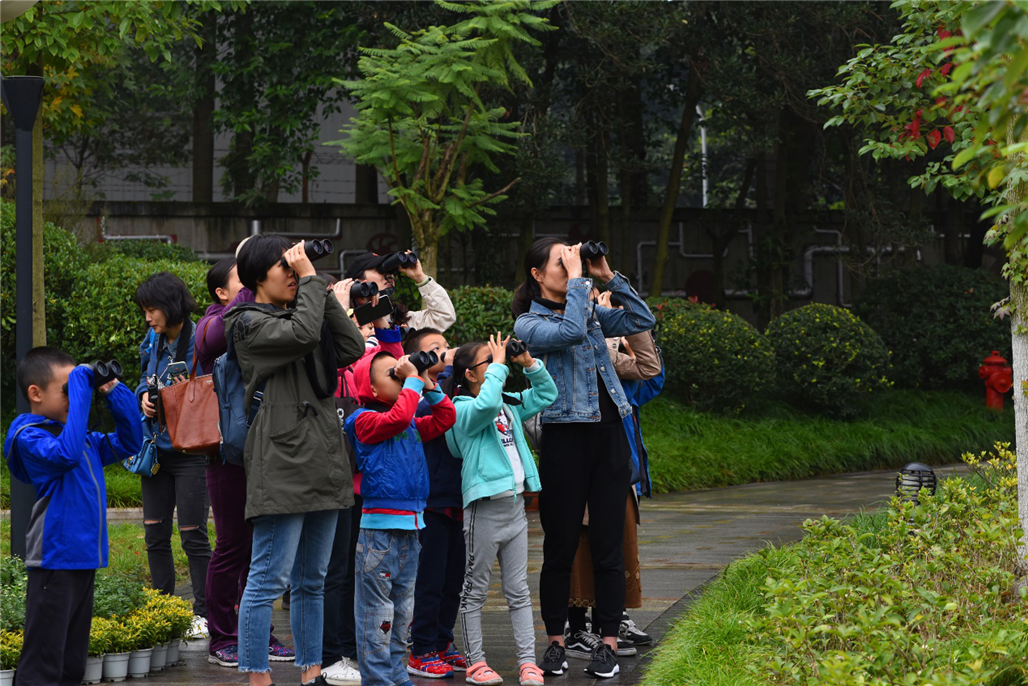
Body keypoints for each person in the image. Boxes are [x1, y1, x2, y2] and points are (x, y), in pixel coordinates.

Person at [512, 239, 656, 679]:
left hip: (610, 435)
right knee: (560, 547)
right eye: (561, 261)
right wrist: (579, 284)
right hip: (565, 438)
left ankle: (608, 644)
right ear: (537, 274)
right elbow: (569, 332)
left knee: (609, 547)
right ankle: (556, 641)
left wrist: (605, 273)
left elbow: (640, 319)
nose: (570, 266)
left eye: (571, 259)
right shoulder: (528, 323)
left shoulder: (588, 306)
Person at [226, 236, 366, 686]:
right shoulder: (247, 323)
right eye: (282, 267)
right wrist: (307, 282)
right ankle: (257, 675)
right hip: (281, 459)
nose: (292, 272)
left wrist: (321, 292)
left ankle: (311, 671)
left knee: (313, 579)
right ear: (255, 277)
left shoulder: (301, 308)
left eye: (293, 266)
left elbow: (350, 349)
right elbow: (302, 335)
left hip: (322, 456)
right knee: (268, 578)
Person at [4, 347, 143, 686]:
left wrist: (110, 388)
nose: (74, 395)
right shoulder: (31, 437)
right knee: (44, 661)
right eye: (66, 389)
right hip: (55, 559)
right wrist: (81, 387)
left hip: (83, 559)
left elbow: (131, 441)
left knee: (71, 662)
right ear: (35, 394)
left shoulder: (84, 442)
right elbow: (64, 455)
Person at [442, 334, 557, 686]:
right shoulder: (461, 409)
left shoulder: (505, 403)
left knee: (519, 590)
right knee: (474, 590)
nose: (498, 366)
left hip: (515, 508)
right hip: (484, 511)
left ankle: (527, 663)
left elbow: (546, 394)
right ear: (471, 375)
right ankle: (476, 662)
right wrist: (501, 368)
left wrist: (529, 364)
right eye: (489, 362)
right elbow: (485, 407)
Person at [196, 257, 294, 667]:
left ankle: (258, 633)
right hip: (227, 451)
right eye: (243, 281)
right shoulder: (214, 321)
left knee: (261, 548)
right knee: (233, 544)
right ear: (222, 292)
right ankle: (222, 636)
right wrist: (252, 295)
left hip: (267, 447)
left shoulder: (267, 317)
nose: (253, 285)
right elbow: (213, 341)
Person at [344, 349, 456, 686]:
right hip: (379, 534)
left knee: (401, 613)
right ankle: (378, 679)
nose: (401, 376)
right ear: (373, 390)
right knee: (377, 615)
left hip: (411, 530)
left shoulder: (409, 423)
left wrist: (426, 383)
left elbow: (445, 417)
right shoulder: (362, 420)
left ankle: (395, 674)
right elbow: (396, 418)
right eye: (392, 374)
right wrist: (411, 381)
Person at [566, 300, 664, 656]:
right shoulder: (557, 335)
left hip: (617, 466)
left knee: (614, 547)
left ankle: (610, 621)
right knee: (577, 547)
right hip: (577, 462)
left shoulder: (618, 360)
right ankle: (576, 627)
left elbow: (652, 376)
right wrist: (605, 337)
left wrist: (625, 331)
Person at [322, 280, 403, 686]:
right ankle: (332, 653)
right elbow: (343, 364)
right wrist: (339, 311)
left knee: (363, 572)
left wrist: (382, 319)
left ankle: (355, 650)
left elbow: (397, 375)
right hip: (335, 477)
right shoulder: (336, 347)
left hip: (363, 480)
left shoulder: (371, 352)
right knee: (335, 571)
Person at [134, 271, 212, 638]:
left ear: (170, 305)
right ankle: (161, 609)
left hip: (192, 449)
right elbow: (144, 379)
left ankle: (204, 614)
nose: (148, 318)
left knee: (193, 535)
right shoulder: (153, 339)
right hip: (156, 451)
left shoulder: (201, 339)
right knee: (154, 535)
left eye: (152, 310)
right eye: (145, 311)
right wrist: (143, 397)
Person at [403, 328, 466, 679]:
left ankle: (443, 641)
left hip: (459, 496)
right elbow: (434, 411)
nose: (443, 353)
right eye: (433, 350)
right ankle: (422, 647)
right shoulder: (419, 397)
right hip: (432, 500)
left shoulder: (455, 391)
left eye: (445, 346)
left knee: (454, 579)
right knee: (430, 578)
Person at [344, 251, 456, 332]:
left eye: (390, 271)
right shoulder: (346, 319)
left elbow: (444, 317)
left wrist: (420, 277)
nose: (389, 275)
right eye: (379, 270)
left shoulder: (400, 320)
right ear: (358, 281)